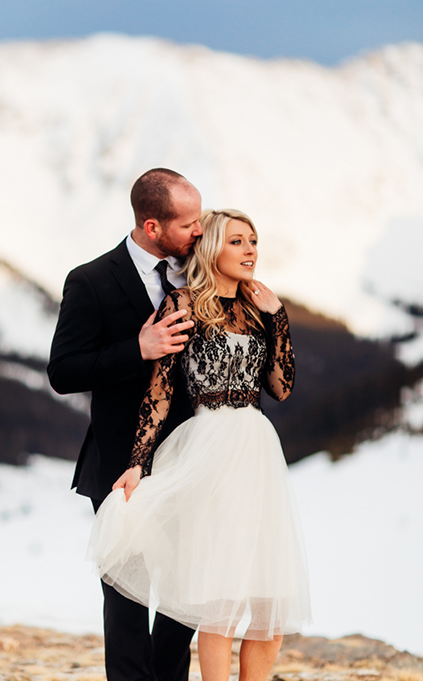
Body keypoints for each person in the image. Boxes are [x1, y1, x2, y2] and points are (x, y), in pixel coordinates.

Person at [89, 209, 311, 681]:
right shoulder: (182, 303)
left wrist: (278, 318)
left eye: (253, 240)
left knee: (268, 604)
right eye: (237, 241)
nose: (251, 250)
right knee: (222, 600)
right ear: (211, 247)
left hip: (257, 451)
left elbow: (281, 386)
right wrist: (137, 463)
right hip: (207, 448)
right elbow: (161, 391)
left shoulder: (259, 308)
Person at [48, 167, 202, 681]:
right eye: (189, 224)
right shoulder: (89, 280)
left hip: (191, 461)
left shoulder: (202, 274)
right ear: (153, 226)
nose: (200, 233)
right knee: (127, 600)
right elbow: (63, 371)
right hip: (118, 464)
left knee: (186, 596)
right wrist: (137, 349)